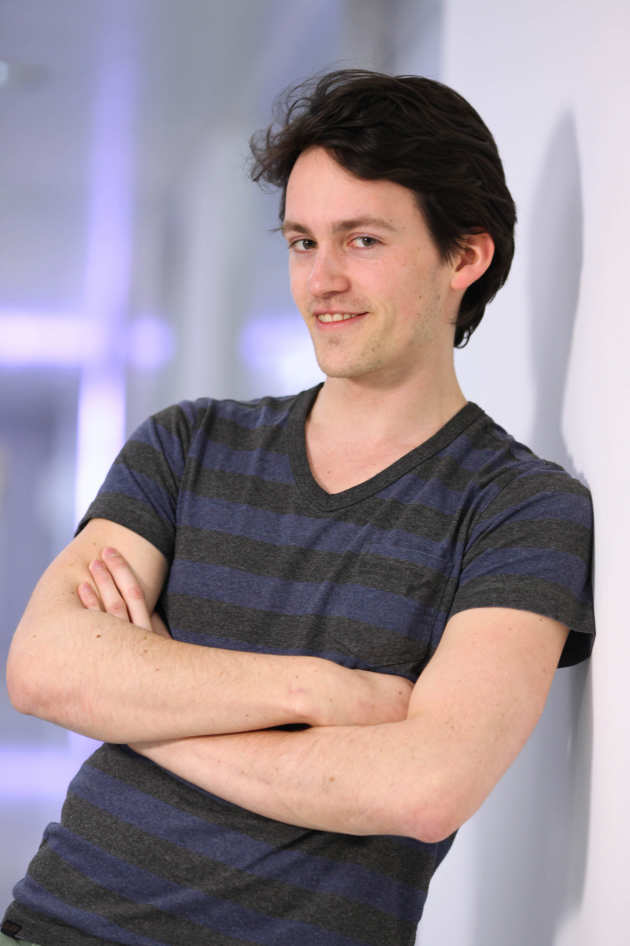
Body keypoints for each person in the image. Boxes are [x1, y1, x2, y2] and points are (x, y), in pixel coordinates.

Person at [2, 69, 594, 946]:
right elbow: (44, 668)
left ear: (465, 256)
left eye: (362, 241)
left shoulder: (521, 508)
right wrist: (314, 690)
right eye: (302, 242)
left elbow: (424, 788)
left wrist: (142, 703)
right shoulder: (188, 444)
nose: (322, 281)